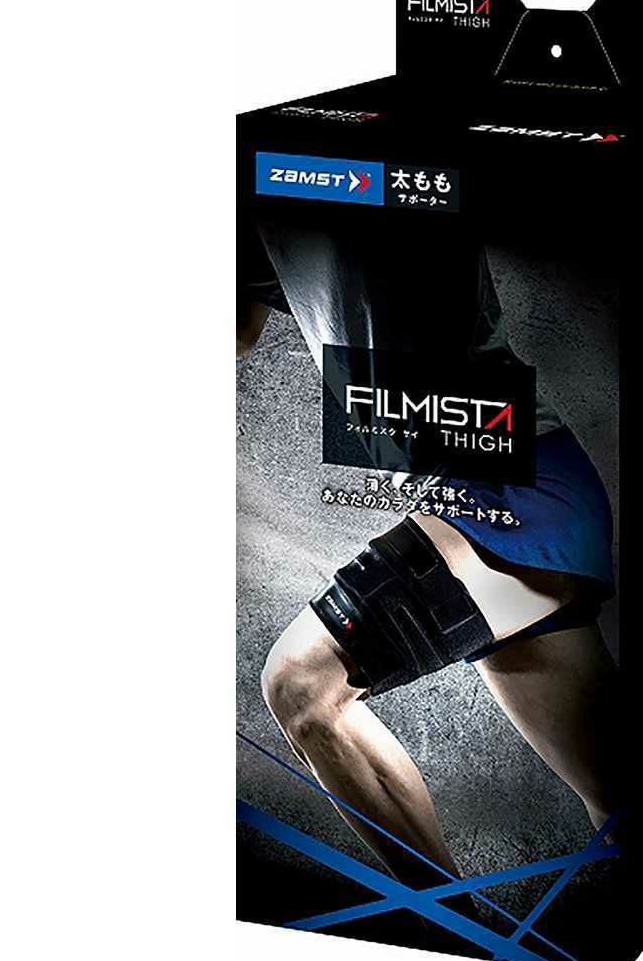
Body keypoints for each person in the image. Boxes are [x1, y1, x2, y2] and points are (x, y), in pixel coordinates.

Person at [240, 214, 619, 889]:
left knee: (301, 686)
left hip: (511, 483)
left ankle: (447, 931)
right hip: (488, 492)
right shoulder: (259, 206)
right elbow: (239, 330)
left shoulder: (389, 183)